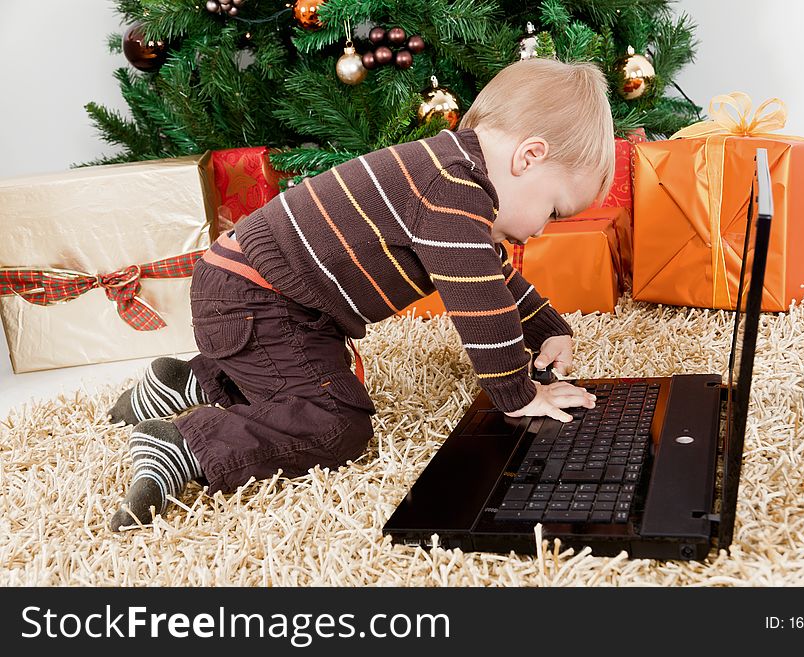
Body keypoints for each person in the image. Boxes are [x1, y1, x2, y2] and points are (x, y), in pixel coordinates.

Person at [106, 57, 615, 531]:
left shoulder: (449, 171)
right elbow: (481, 303)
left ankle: (185, 383)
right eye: (554, 211)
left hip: (260, 293)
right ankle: (181, 447)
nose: (544, 230)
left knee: (289, 371)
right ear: (529, 158)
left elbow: (491, 271)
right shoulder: (453, 191)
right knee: (335, 424)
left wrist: (548, 327)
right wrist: (520, 396)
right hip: (259, 299)